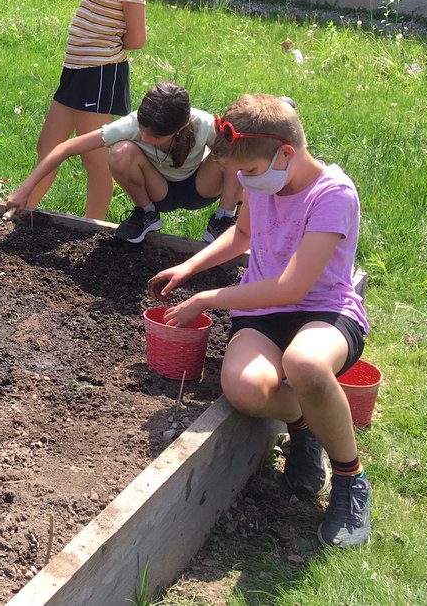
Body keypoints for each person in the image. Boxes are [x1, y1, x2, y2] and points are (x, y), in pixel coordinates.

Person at [148, 94, 370, 547]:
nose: (244, 181)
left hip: (323, 310)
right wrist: (191, 267)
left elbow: (293, 288)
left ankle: (350, 480)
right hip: (263, 312)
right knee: (245, 389)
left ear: (285, 154)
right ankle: (307, 423)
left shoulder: (333, 195)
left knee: (305, 365)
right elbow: (244, 234)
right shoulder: (262, 179)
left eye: (248, 171)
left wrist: (208, 298)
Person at [26, 0, 149, 220]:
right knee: (47, 148)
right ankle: (22, 213)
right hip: (75, 69)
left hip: (100, 72)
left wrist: (105, 44)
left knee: (94, 158)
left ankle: (92, 227)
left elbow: (137, 38)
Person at [6, 82, 241, 243]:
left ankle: (223, 220)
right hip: (160, 191)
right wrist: (24, 190)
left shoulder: (203, 123)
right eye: (143, 131)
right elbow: (65, 148)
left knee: (231, 152)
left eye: (156, 137)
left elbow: (241, 163)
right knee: (121, 152)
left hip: (200, 188)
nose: (146, 138)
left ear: (180, 128)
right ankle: (147, 214)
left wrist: (243, 199)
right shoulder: (131, 124)